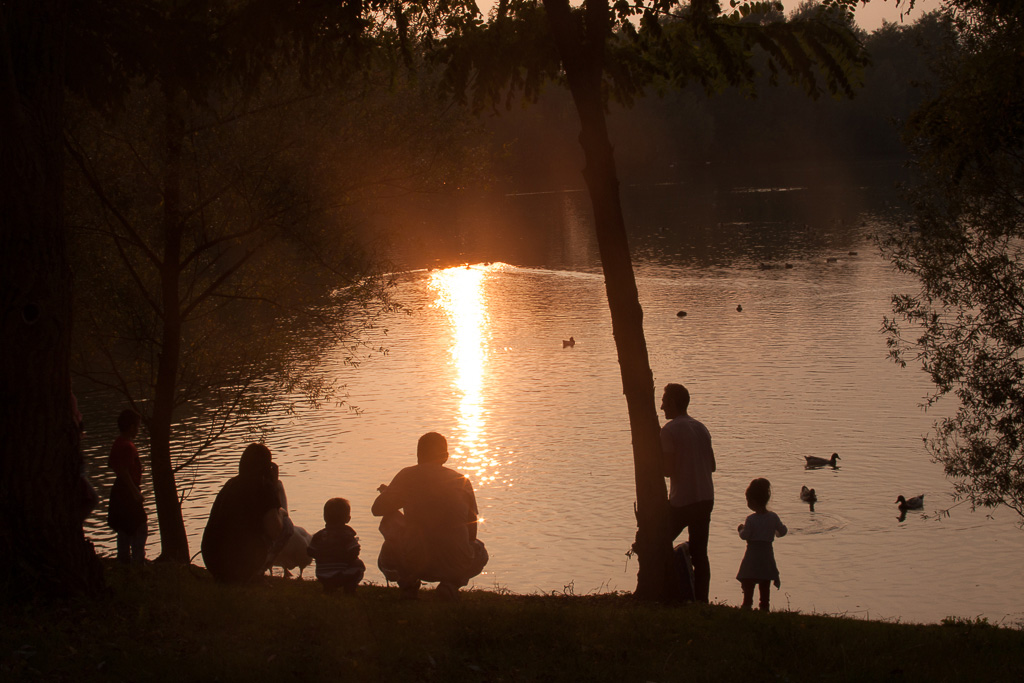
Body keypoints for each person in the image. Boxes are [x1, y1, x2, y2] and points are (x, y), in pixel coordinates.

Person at [371, 432, 488, 600]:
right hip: (454, 563)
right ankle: (451, 584)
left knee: (389, 518)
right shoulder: (462, 480)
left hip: (414, 561)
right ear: (446, 457)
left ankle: (407, 582)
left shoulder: (407, 475)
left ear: (418, 455)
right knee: (480, 552)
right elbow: (472, 533)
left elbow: (377, 510)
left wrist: (390, 494)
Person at [660, 383, 716, 602]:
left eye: (664, 401)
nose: (662, 406)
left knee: (657, 542)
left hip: (683, 500)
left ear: (673, 402)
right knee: (700, 553)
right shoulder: (701, 428)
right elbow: (712, 466)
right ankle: (701, 600)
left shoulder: (669, 431)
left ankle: (668, 593)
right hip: (706, 498)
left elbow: (667, 470)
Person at [201, 443, 283, 583]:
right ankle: (255, 573)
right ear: (267, 467)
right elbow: (275, 530)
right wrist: (275, 489)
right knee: (286, 524)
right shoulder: (264, 488)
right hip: (237, 565)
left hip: (212, 561)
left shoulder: (231, 484)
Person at [736, 478, 788, 611]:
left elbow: (745, 536)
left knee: (748, 581)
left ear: (753, 501)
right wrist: (779, 530)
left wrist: (740, 529)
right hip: (766, 555)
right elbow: (782, 531)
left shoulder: (751, 519)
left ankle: (747, 604)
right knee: (765, 582)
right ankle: (764, 606)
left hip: (752, 555)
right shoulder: (773, 517)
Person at [106, 408, 147, 564]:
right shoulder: (128, 446)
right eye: (137, 426)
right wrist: (135, 493)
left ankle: (123, 559)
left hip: (119, 490)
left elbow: (112, 464)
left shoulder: (118, 442)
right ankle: (138, 560)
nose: (138, 430)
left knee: (124, 526)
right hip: (128, 490)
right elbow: (123, 471)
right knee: (140, 525)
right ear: (131, 427)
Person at [307, 497, 366, 594]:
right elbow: (354, 551)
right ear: (348, 518)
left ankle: (328, 588)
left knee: (331, 570)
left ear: (325, 517)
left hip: (322, 575)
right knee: (359, 564)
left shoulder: (319, 535)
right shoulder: (346, 535)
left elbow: (310, 551)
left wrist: (323, 555)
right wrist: (342, 557)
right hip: (340, 575)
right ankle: (350, 588)